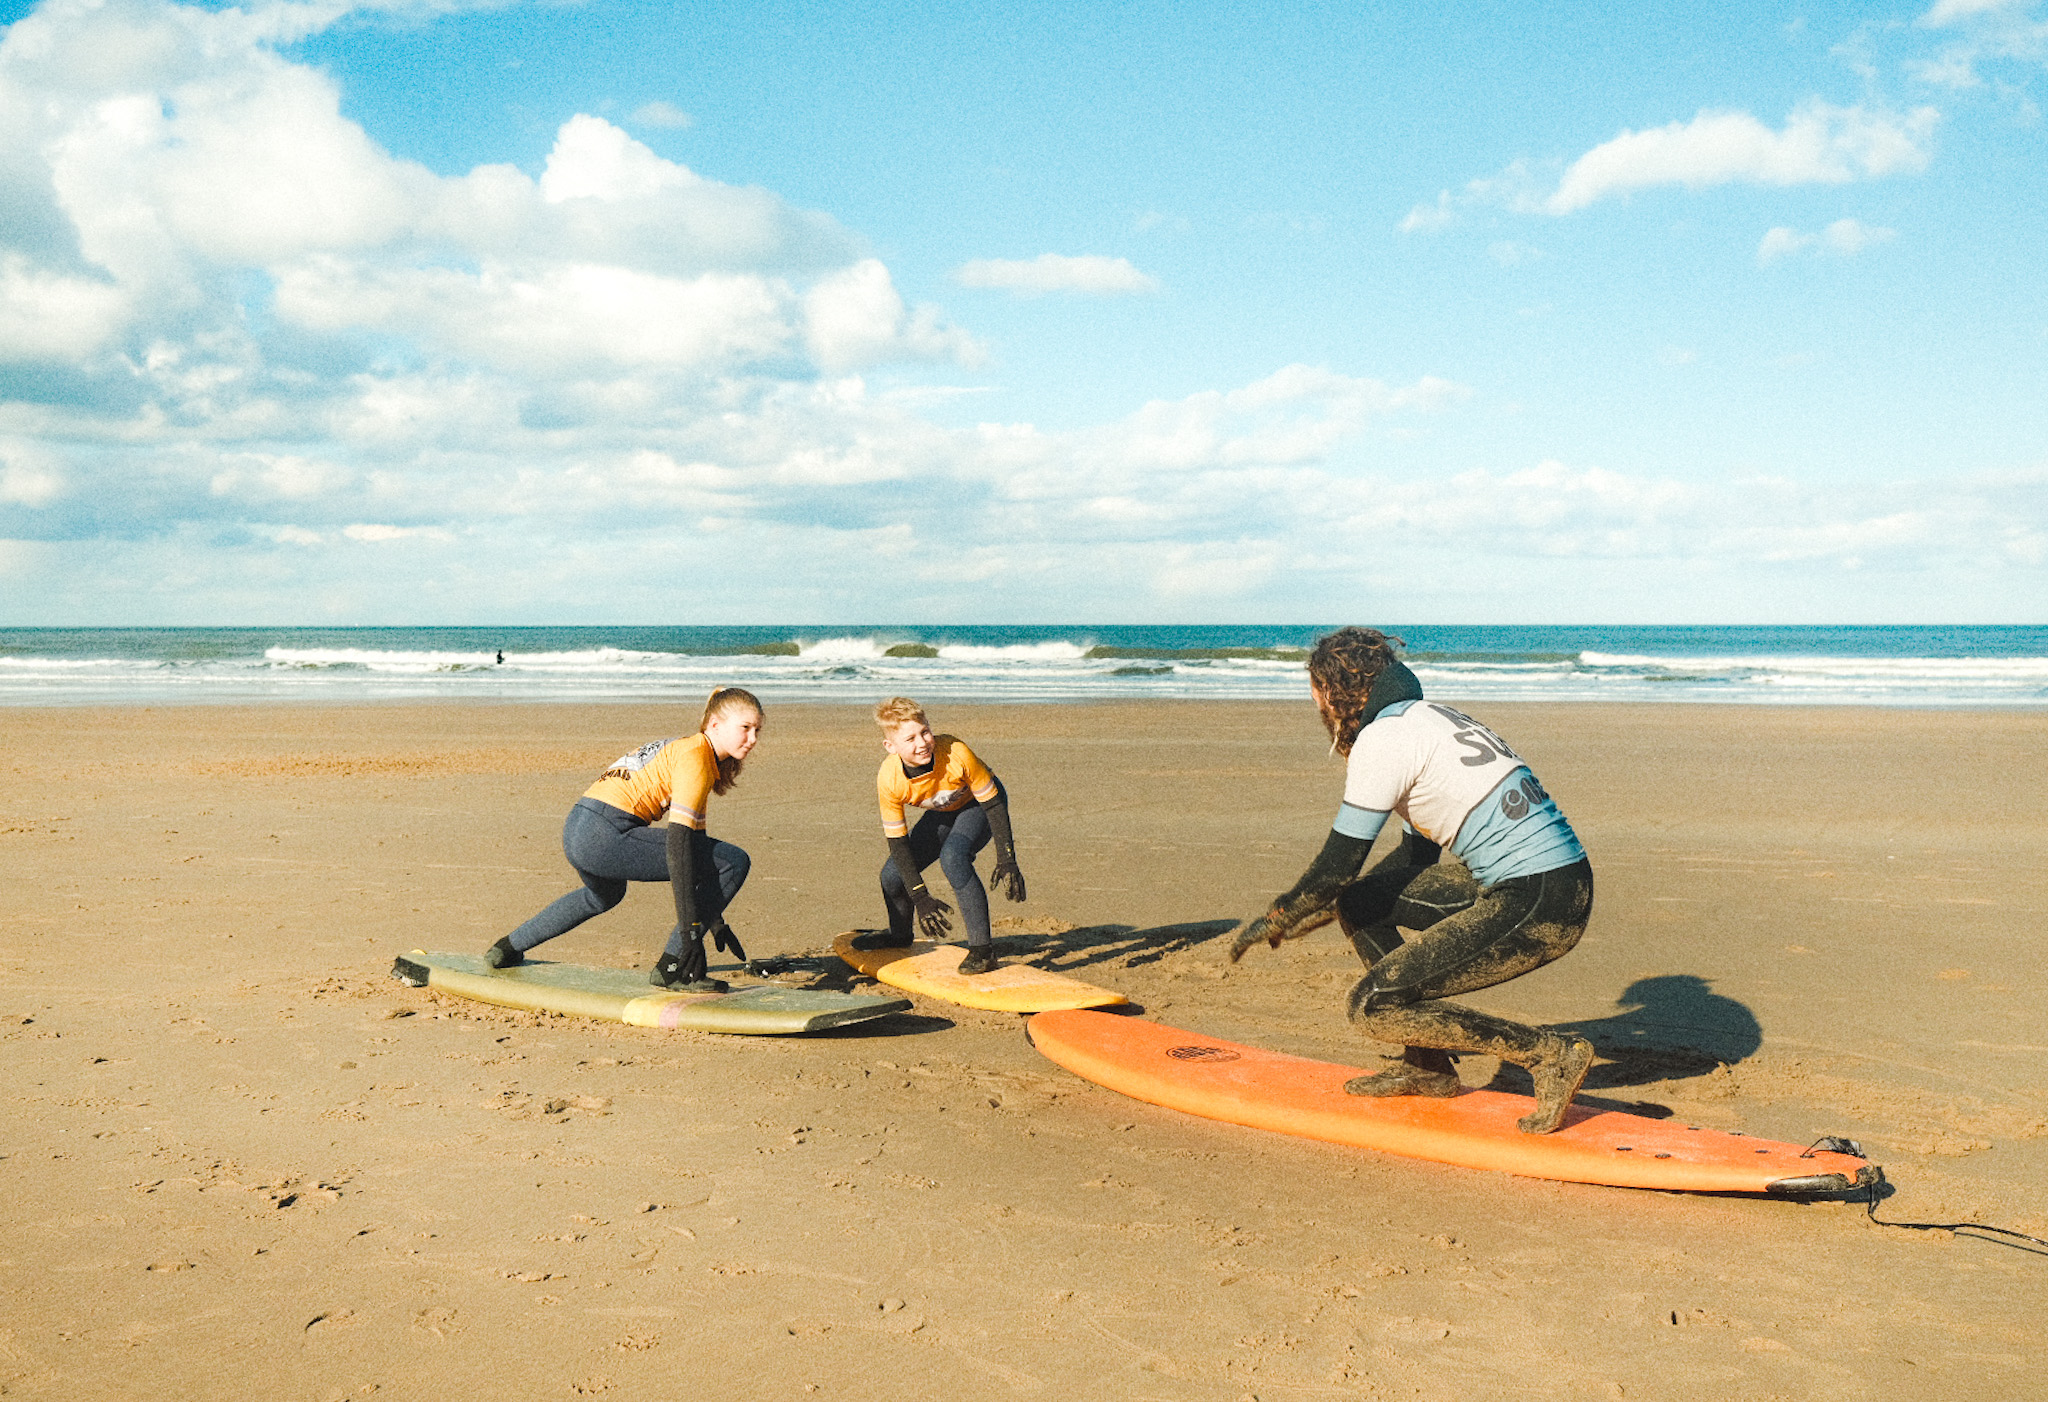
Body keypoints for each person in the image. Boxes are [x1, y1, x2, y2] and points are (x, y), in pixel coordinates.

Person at [1228, 629, 1596, 1133]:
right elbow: (1414, 855)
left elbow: (1337, 866)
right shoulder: (1425, 720)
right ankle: (1428, 1067)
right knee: (1360, 903)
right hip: (1548, 884)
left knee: (1373, 1006)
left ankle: (1550, 1054)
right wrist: (1335, 905)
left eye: (1313, 689)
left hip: (1540, 901)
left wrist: (1281, 914)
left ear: (1331, 689)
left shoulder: (1384, 741)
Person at [484, 687, 763, 993]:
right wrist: (690, 936)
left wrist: (714, 920)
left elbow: (698, 848)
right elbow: (680, 849)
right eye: (745, 728)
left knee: (603, 896)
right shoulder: (695, 758)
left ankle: (507, 947)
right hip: (606, 836)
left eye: (757, 730)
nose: (752, 740)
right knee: (735, 861)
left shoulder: (688, 750)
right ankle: (673, 969)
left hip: (578, 825)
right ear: (714, 725)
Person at [848, 697, 1026, 976]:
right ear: (890, 747)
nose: (922, 743)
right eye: (910, 739)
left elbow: (993, 805)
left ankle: (983, 950)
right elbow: (898, 842)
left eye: (925, 731)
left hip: (980, 806)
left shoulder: (955, 752)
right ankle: (899, 935)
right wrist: (920, 896)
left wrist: (1007, 859)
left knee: (954, 858)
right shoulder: (889, 778)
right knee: (892, 876)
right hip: (943, 811)